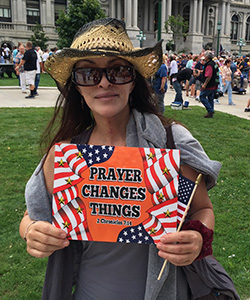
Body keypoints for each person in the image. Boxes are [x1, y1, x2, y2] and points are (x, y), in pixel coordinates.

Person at [19, 18, 239, 300]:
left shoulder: (170, 142)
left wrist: (198, 238)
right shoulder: (65, 155)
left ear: (134, 80)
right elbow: (31, 216)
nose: (104, 83)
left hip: (169, 292)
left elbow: (202, 210)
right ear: (77, 86)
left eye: (118, 70)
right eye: (88, 74)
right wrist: (33, 232)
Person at [200, 51, 219, 118]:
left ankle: (210, 110)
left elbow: (209, 76)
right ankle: (211, 114)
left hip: (210, 84)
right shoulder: (214, 63)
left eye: (205, 56)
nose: (204, 57)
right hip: (215, 84)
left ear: (207, 57)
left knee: (202, 97)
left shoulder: (209, 65)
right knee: (211, 98)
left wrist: (205, 84)